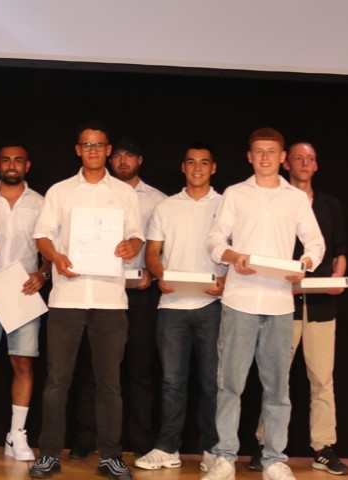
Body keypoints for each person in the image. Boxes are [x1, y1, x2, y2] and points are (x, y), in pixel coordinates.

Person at [203, 128, 325, 480]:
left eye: (272, 152)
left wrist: (305, 265)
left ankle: (274, 459)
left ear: (282, 156)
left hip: (279, 304)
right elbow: (214, 239)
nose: (266, 158)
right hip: (239, 300)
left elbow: (315, 244)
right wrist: (231, 255)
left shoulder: (295, 199)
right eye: (259, 151)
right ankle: (225, 456)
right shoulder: (235, 194)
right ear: (249, 156)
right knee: (230, 384)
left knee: (277, 388)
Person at [29, 121, 143, 480]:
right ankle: (48, 454)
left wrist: (131, 246)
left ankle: (110, 455)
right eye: (86, 145)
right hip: (67, 297)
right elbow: (42, 236)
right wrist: (57, 257)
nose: (93, 151)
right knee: (56, 381)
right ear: (77, 150)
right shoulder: (60, 192)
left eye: (99, 145)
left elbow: (137, 236)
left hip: (110, 299)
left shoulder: (125, 194)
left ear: (108, 150)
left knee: (110, 383)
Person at [249, 142, 348, 476]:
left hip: (321, 303)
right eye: (298, 158)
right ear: (285, 163)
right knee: (275, 378)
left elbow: (338, 249)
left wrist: (337, 276)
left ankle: (323, 446)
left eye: (310, 158)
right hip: (282, 302)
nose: (304, 163)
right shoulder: (278, 201)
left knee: (322, 379)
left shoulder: (329, 205)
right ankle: (265, 446)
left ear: (316, 165)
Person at [136, 143, 225, 471]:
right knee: (172, 381)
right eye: (191, 162)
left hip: (213, 304)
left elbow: (236, 250)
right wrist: (160, 274)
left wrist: (225, 283)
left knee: (212, 382)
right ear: (183, 167)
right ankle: (168, 448)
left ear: (213, 168)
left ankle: (213, 451)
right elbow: (152, 252)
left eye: (204, 162)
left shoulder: (226, 204)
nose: (197, 168)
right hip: (172, 305)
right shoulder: (166, 207)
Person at [0, 142, 48, 462]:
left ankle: (16, 435)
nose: (11, 165)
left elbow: (50, 251)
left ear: (27, 166)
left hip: (22, 294)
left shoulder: (42, 203)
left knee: (23, 363)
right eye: (6, 159)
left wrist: (43, 275)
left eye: (18, 160)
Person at [111, 138, 167, 456]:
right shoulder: (99, 195)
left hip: (143, 294)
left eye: (128, 155)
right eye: (117, 155)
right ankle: (93, 440)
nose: (122, 161)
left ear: (140, 160)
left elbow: (166, 247)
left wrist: (154, 272)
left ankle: (142, 441)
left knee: (141, 370)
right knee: (100, 371)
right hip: (104, 291)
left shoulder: (158, 200)